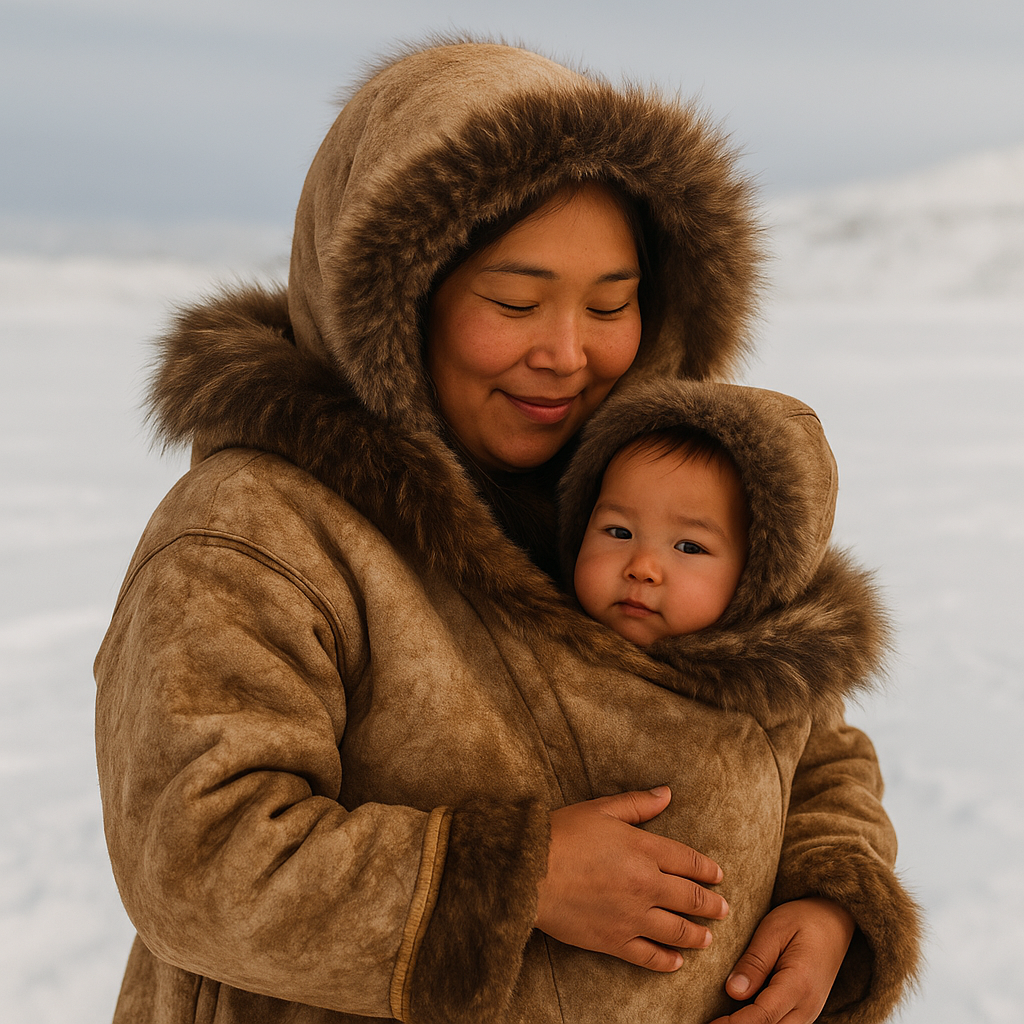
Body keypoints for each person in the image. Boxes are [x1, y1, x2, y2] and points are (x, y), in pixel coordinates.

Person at [94, 39, 919, 1024]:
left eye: (610, 304)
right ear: (398, 305)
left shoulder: (643, 501)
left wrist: (832, 893)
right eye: (515, 302)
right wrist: (512, 880)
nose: (567, 353)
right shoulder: (258, 534)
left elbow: (804, 730)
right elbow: (196, 857)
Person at [562, 380, 922, 1010]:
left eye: (689, 547)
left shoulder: (780, 689)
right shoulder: (549, 647)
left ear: (759, 574)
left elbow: (835, 775)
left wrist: (830, 893)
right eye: (617, 531)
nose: (643, 565)